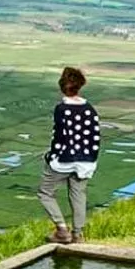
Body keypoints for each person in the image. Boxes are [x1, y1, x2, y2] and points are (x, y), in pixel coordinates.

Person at [37, 66, 100, 244]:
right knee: (79, 194)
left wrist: (51, 156)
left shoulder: (62, 109)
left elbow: (59, 137)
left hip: (63, 160)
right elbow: (95, 137)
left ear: (62, 87)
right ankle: (78, 234)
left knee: (45, 192)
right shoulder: (90, 109)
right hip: (86, 161)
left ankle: (62, 229)